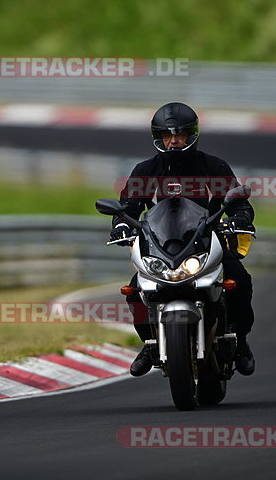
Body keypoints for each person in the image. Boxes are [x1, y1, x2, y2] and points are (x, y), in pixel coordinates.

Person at [110, 102, 256, 377]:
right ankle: (151, 343)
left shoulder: (213, 166)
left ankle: (241, 341)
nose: (174, 140)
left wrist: (240, 218)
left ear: (192, 136)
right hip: (161, 247)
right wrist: (119, 225)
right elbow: (127, 207)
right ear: (158, 137)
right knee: (136, 291)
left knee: (240, 280)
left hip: (207, 240)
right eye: (168, 135)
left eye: (180, 135)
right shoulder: (145, 170)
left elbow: (240, 202)